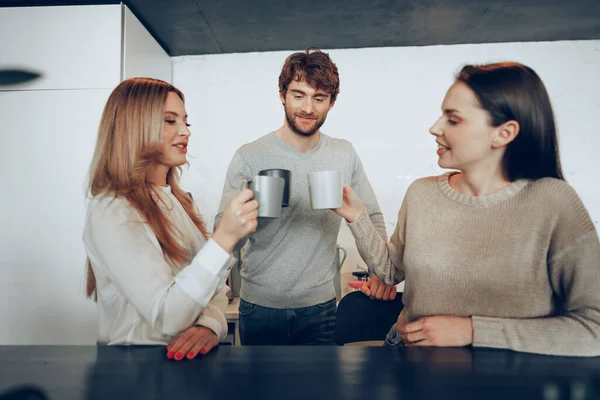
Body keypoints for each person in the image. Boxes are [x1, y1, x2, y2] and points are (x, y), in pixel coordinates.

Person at [335, 62, 600, 356]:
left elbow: (594, 328)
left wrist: (473, 330)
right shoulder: (421, 193)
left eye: (453, 119)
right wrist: (357, 217)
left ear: (504, 133)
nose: (435, 128)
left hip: (512, 377)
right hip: (411, 360)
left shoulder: (554, 202)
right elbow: (389, 272)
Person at [215, 48, 397, 345]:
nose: (308, 108)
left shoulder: (343, 153)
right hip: (258, 307)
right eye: (298, 95)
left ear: (332, 102)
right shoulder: (249, 156)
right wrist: (242, 221)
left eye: (319, 98)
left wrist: (381, 273)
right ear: (282, 94)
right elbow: (221, 236)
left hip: (322, 308)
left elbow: (371, 216)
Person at [83, 77, 258, 360]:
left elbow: (213, 289)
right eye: (170, 121)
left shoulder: (177, 201)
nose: (185, 131)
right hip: (136, 368)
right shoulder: (113, 209)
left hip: (181, 366)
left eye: (186, 122)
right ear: (134, 128)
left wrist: (210, 326)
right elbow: (167, 316)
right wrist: (224, 237)